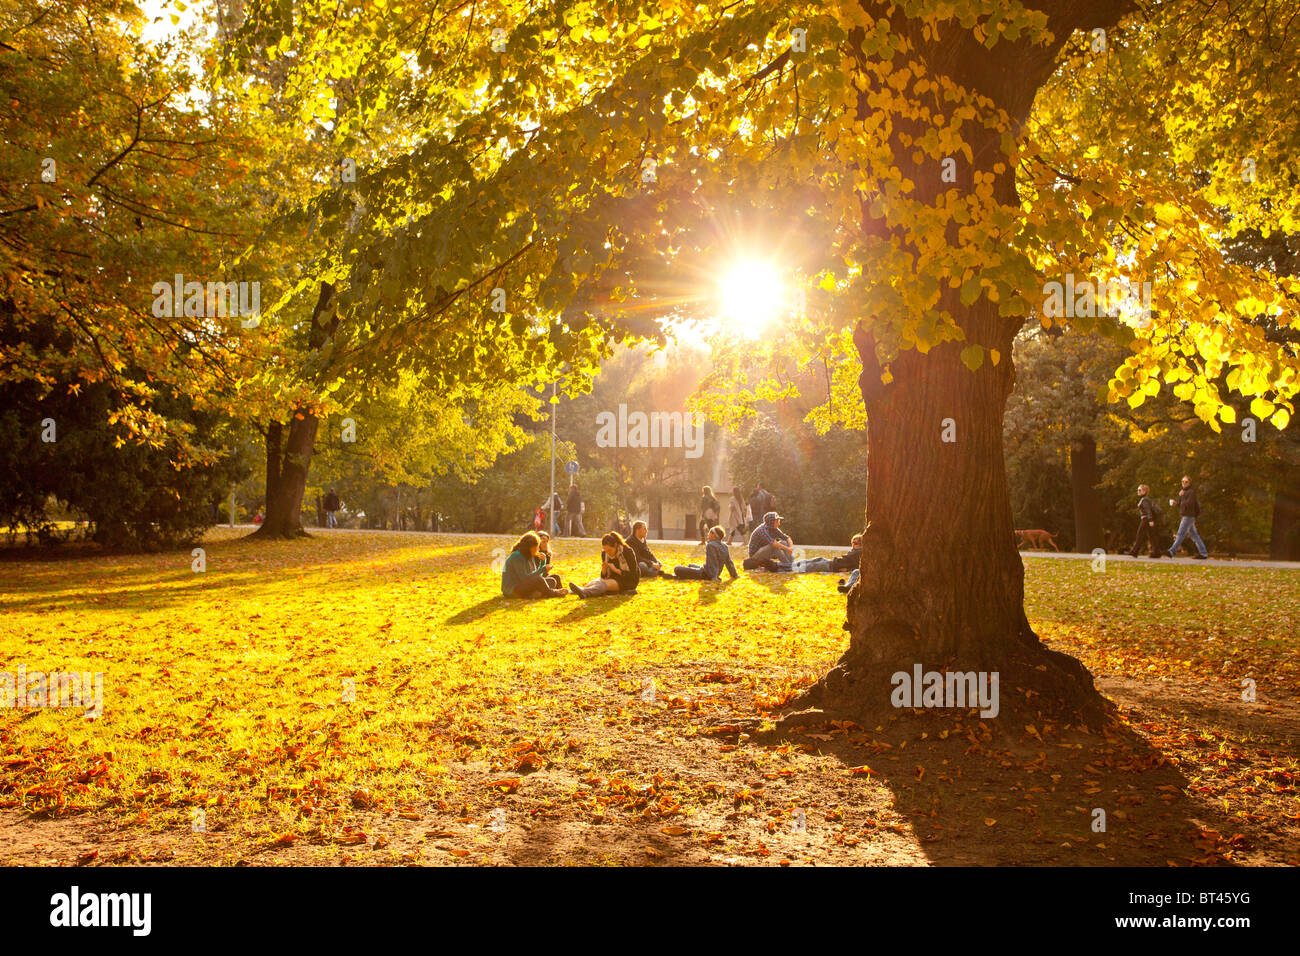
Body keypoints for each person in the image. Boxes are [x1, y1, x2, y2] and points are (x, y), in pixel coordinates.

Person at [570, 531, 639, 598]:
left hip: (627, 580)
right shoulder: (604, 554)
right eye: (605, 550)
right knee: (593, 583)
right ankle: (575, 591)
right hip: (612, 578)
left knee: (602, 584)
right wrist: (604, 569)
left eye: (609, 550)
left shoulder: (627, 552)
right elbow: (604, 577)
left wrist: (616, 570)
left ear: (615, 545)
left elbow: (633, 574)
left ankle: (585, 593)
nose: (608, 553)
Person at [501, 532, 567, 598]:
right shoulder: (517, 556)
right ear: (530, 547)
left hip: (524, 585)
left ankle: (537, 594)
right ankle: (553, 593)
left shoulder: (529, 555)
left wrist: (543, 562)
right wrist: (543, 569)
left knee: (552, 580)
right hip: (512, 590)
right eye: (536, 547)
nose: (537, 550)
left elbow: (537, 576)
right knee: (539, 580)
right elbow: (524, 578)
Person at [671, 525, 739, 580]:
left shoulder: (711, 545)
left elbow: (713, 561)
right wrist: (735, 575)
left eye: (709, 533)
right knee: (690, 565)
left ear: (713, 535)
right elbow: (729, 563)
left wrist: (714, 578)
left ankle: (684, 574)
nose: (708, 535)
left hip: (705, 574)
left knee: (677, 568)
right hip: (710, 571)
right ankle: (686, 573)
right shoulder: (725, 546)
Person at [1166, 475, 1209, 559]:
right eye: (1182, 481)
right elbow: (1181, 504)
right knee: (1194, 535)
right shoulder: (1183, 492)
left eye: (1186, 482)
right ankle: (1203, 553)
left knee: (1180, 534)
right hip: (1186, 516)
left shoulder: (1191, 492)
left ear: (1190, 483)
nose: (1184, 483)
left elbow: (1189, 504)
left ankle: (1171, 551)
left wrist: (1182, 495)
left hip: (1188, 516)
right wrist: (1175, 503)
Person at [1128, 484, 1165, 558]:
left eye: (1139, 490)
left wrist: (1150, 520)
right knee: (1152, 536)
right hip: (1148, 519)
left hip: (1146, 519)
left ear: (1144, 491)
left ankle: (1135, 551)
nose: (1138, 491)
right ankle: (1156, 552)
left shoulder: (1145, 499)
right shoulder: (1146, 499)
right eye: (1137, 490)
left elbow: (1148, 511)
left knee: (1140, 535)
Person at [794, 534, 862, 574]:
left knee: (813, 565)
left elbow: (859, 567)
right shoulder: (855, 551)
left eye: (855, 543)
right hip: (832, 562)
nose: (853, 545)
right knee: (818, 559)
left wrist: (848, 570)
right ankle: (794, 564)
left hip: (833, 567)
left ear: (861, 544)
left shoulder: (859, 553)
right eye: (852, 543)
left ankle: (794, 568)